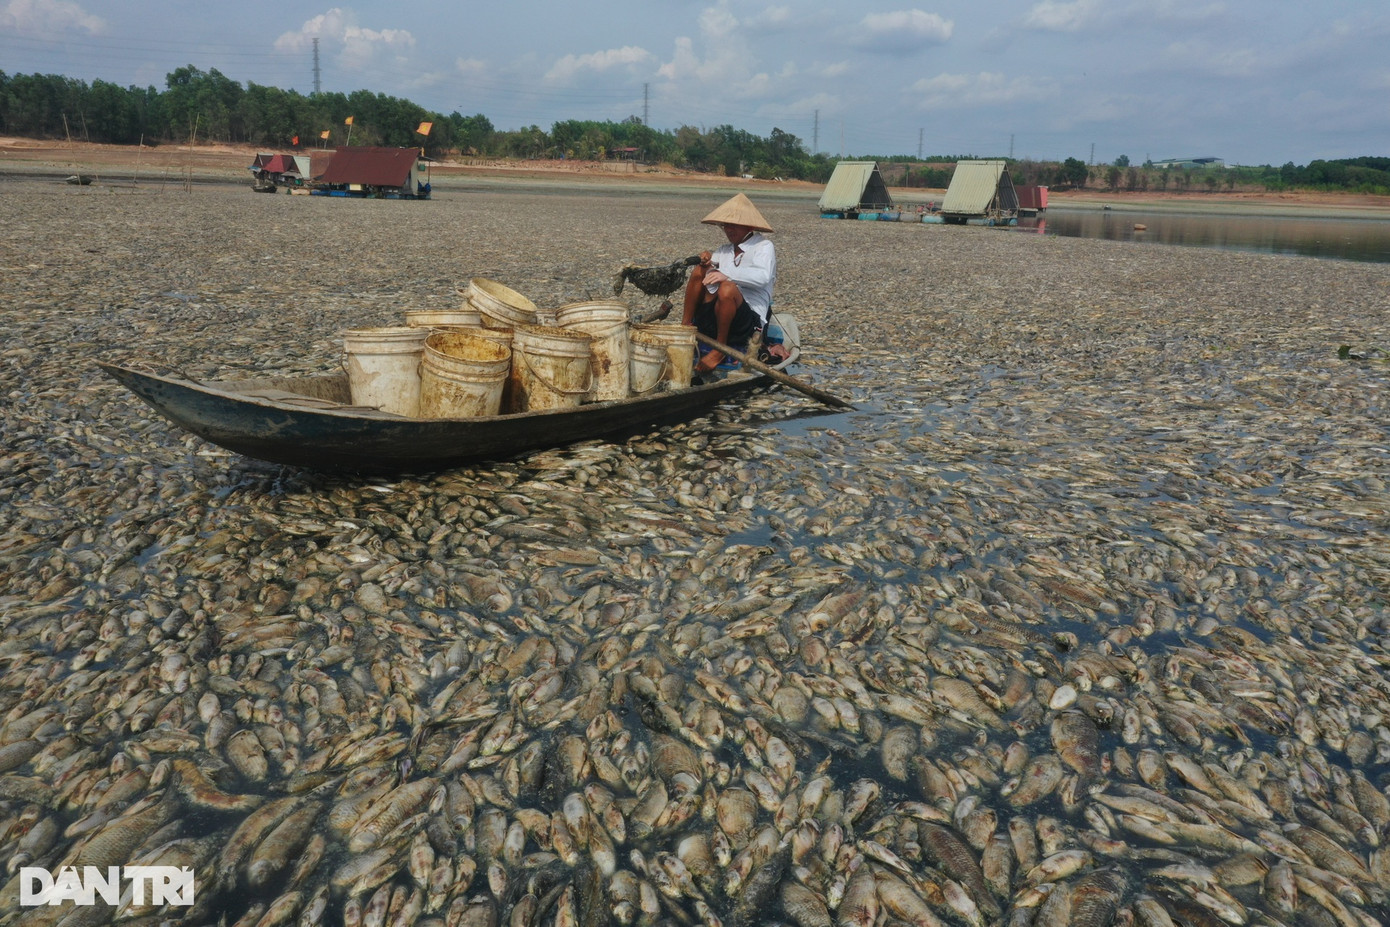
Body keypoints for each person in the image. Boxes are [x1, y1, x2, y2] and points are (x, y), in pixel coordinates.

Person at [681, 193, 776, 378]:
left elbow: (763, 277)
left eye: (734, 225)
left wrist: (727, 275)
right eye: (726, 225)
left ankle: (720, 348)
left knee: (727, 288)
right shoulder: (724, 250)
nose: (728, 230)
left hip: (749, 322)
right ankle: (684, 328)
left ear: (748, 226)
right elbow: (708, 272)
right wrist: (706, 261)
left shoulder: (764, 246)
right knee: (699, 272)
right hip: (719, 314)